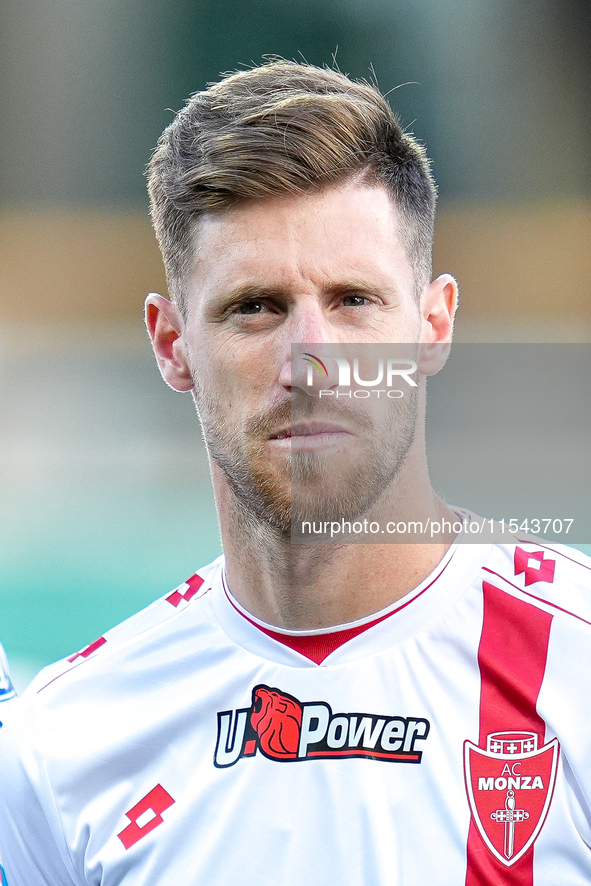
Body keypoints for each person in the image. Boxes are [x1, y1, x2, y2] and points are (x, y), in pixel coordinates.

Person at [0, 60, 590, 886]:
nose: (308, 362)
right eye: (256, 307)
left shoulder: (577, 669)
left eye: (353, 300)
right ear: (172, 345)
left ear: (431, 325)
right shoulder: (61, 746)